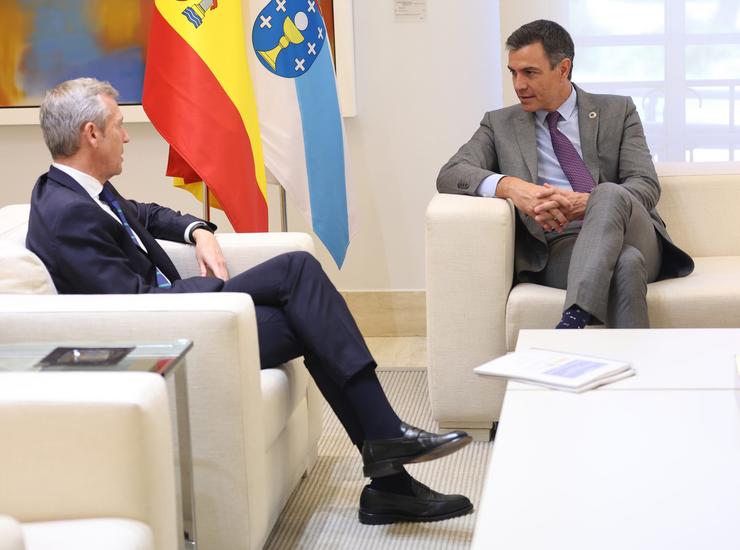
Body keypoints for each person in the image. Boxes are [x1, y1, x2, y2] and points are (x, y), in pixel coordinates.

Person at [27, 77, 473, 525]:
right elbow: (132, 305)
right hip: (170, 337)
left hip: (185, 317)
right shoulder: (67, 213)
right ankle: (387, 452)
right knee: (298, 273)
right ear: (91, 134)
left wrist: (196, 229)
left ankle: (389, 475)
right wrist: (213, 290)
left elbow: (143, 214)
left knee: (308, 313)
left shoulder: (83, 192)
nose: (125, 136)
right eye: (119, 125)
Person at [438, 20, 694, 329]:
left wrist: (591, 203)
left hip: (632, 231)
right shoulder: (499, 124)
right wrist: (511, 186)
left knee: (608, 193)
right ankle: (632, 371)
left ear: (563, 68)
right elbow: (451, 173)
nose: (519, 84)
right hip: (560, 245)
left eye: (530, 73)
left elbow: (646, 185)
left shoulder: (618, 111)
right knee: (625, 264)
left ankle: (572, 324)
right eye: (513, 73)